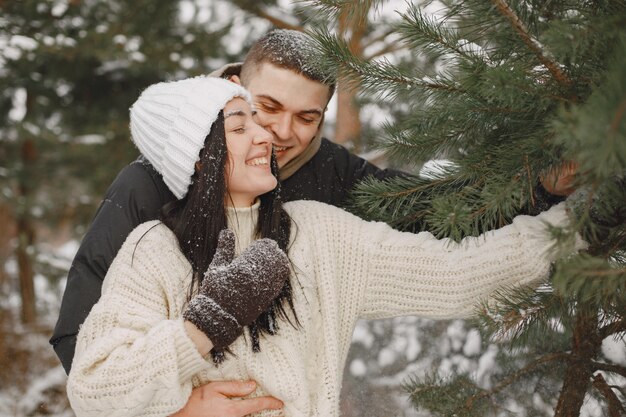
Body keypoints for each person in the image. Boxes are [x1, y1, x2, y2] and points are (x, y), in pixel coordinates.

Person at [66, 76, 583, 417]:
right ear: (198, 161)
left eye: (257, 121)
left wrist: (580, 221)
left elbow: (461, 273)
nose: (265, 135)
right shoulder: (154, 250)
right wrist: (202, 328)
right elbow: (93, 388)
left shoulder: (317, 234)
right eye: (240, 126)